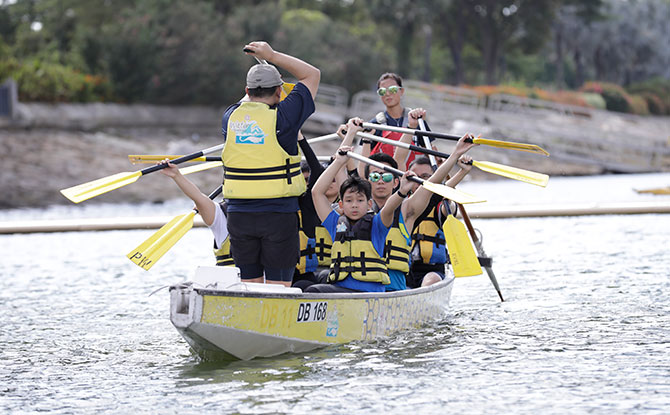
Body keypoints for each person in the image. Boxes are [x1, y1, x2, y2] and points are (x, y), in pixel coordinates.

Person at [221, 41, 320, 287]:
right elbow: (312, 74)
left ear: (247, 90)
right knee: (279, 287)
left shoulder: (229, 117)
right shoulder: (284, 119)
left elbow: (249, 104)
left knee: (251, 284)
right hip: (277, 215)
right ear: (279, 91)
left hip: (238, 216)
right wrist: (271, 55)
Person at [307, 122, 415, 293]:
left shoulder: (379, 224)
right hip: (341, 289)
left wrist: (402, 191)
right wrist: (338, 162)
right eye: (349, 201)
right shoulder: (335, 223)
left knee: (314, 291)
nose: (355, 205)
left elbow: (389, 208)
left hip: (370, 294)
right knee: (310, 287)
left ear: (369, 204)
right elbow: (316, 193)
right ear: (341, 204)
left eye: (360, 200)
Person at [158, 159, 233, 267]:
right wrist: (176, 175)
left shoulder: (266, 213)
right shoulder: (222, 214)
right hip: (229, 280)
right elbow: (197, 197)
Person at [365, 72, 439, 167]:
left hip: (413, 177)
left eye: (392, 89)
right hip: (385, 178)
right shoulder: (374, 124)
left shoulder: (416, 120)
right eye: (382, 91)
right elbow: (366, 161)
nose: (387, 94)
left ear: (402, 91)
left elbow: (429, 153)